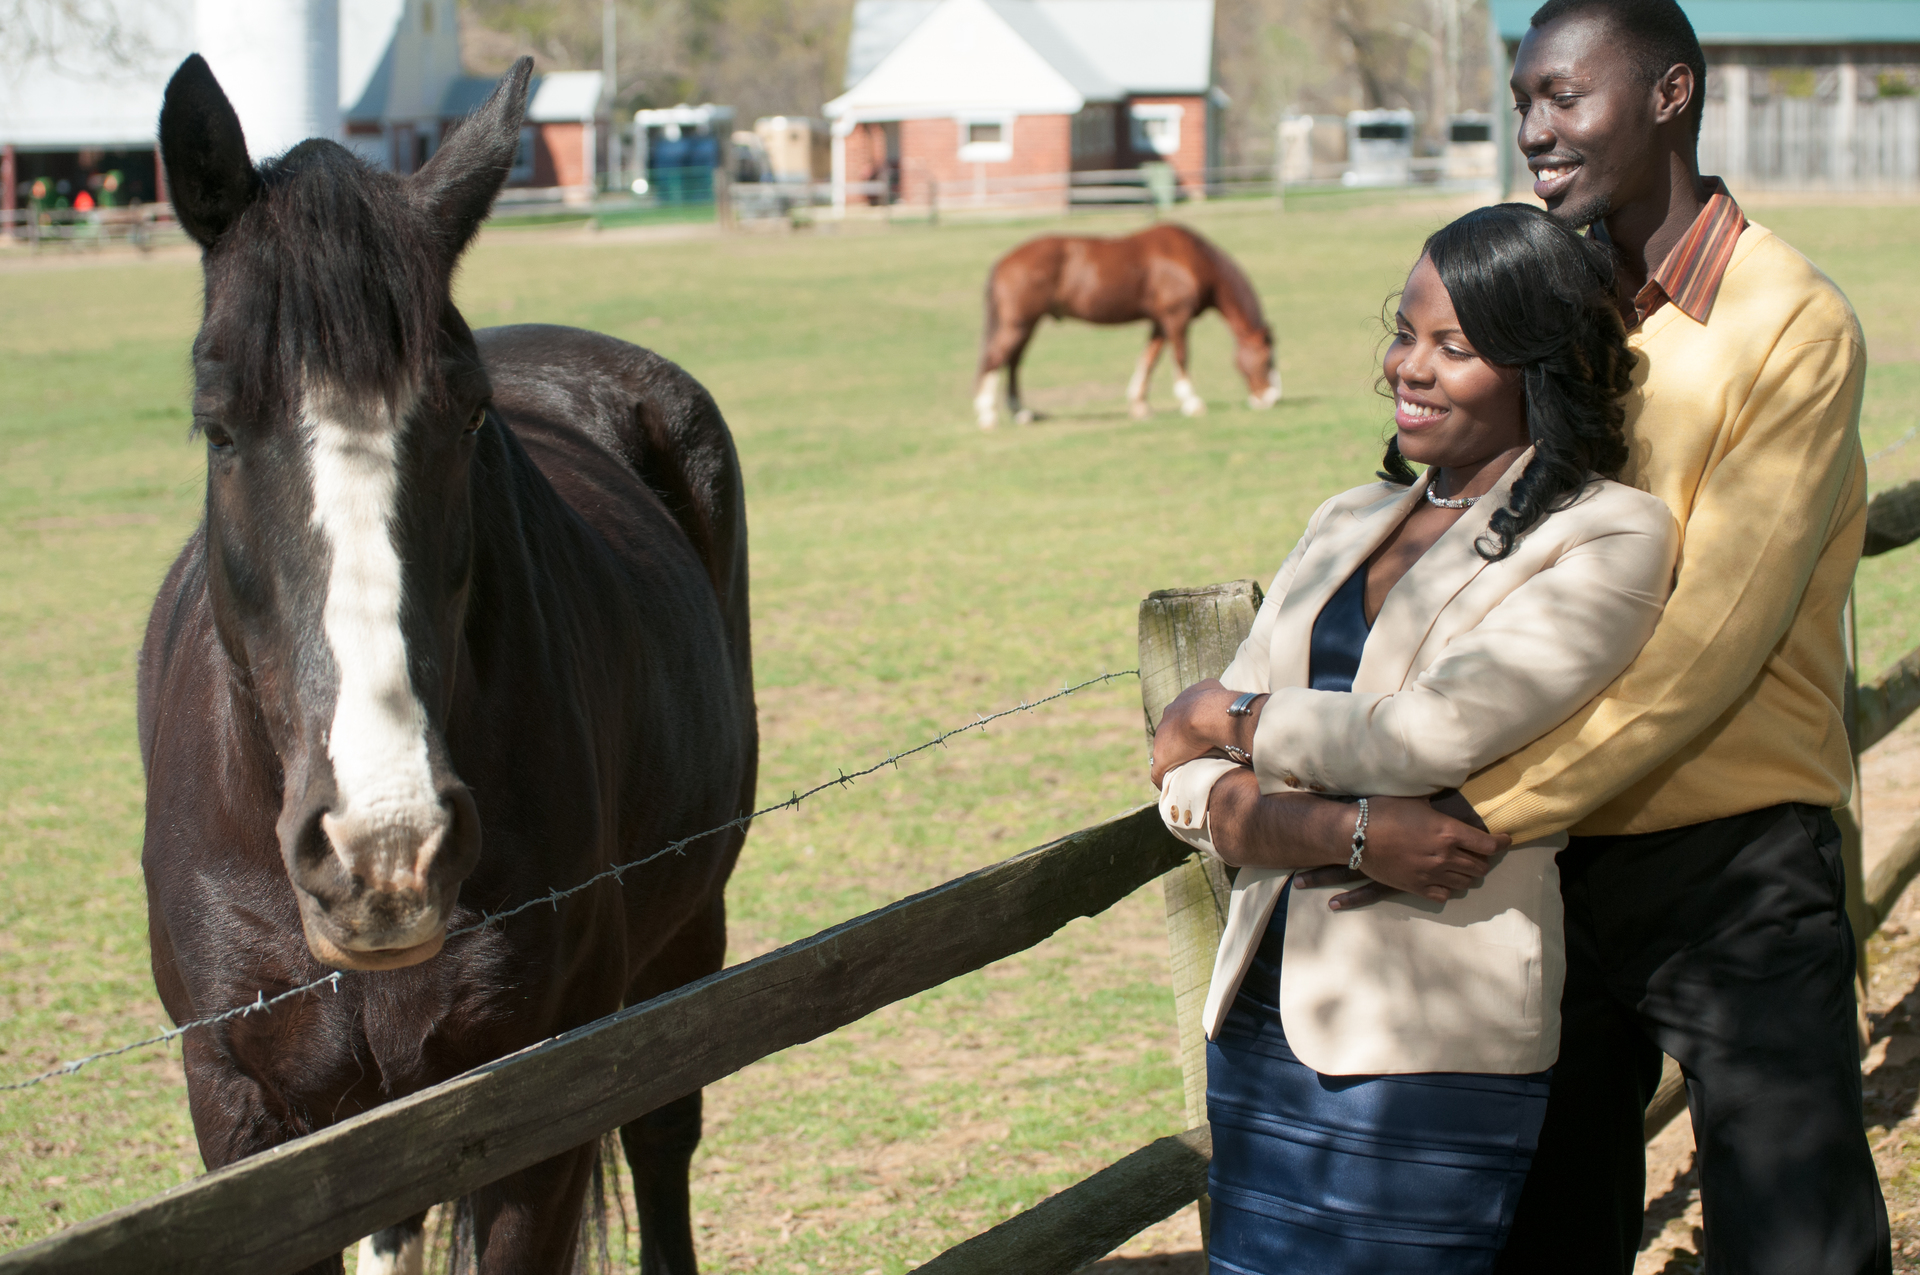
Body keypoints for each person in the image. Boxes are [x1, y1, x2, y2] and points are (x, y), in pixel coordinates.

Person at [1164, 0, 1885, 1267]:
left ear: (1670, 96)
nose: (1535, 132)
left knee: (1793, 1227)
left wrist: (1460, 807)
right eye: (1522, 104)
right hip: (1531, 874)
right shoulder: (1553, 296)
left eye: (1565, 98)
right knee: (1550, 1224)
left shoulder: (1789, 324)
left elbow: (1706, 646)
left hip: (1714, 856)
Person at [1148, 202, 1677, 1271]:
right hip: (1258, 1011)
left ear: (1542, 368)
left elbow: (1423, 739)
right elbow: (1184, 782)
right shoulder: (1344, 518)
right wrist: (1340, 831)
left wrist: (1233, 720)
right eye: (1406, 332)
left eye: (1457, 347)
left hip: (1429, 1031)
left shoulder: (1608, 533)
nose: (1410, 368)